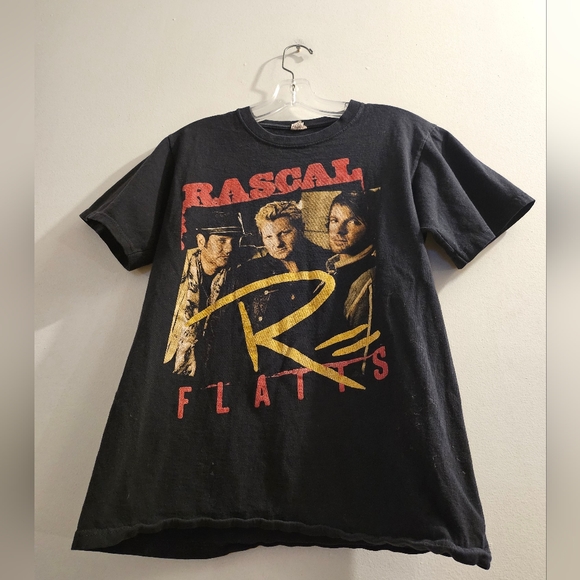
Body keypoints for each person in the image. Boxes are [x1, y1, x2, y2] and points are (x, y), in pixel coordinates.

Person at [164, 214, 243, 377]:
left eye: (234, 241)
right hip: (173, 364)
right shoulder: (177, 268)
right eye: (222, 241)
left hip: (216, 365)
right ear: (201, 241)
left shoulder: (236, 271)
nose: (229, 249)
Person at [234, 200, 330, 333]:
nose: (277, 243)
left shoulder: (328, 264)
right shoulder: (249, 272)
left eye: (284, 233)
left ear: (301, 228)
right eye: (268, 237)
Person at [325, 191, 376, 329]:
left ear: (371, 229)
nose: (339, 230)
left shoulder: (368, 281)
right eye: (334, 220)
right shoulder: (331, 267)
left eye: (353, 222)